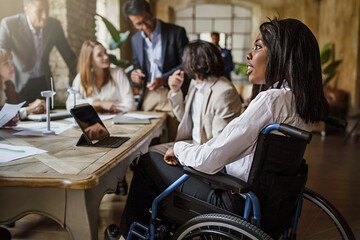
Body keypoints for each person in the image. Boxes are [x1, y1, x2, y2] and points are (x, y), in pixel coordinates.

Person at [104, 18, 329, 239]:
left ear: (283, 55)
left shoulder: (271, 100)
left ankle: (128, 235)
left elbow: (210, 159)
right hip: (271, 204)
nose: (249, 55)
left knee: (148, 162)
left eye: (258, 46)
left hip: (235, 200)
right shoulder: (300, 103)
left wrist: (180, 149)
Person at [150, 40, 242, 155]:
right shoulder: (195, 83)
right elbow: (184, 119)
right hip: (191, 143)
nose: (182, 61)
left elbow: (219, 146)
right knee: (149, 152)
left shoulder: (224, 92)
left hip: (204, 152)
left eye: (185, 57)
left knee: (149, 159)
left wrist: (184, 153)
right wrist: (175, 91)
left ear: (194, 61)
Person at [0, 0, 77, 104]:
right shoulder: (9, 24)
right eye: (39, 11)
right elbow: (2, 56)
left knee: (48, 116)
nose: (45, 16)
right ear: (26, 9)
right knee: (21, 116)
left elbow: (69, 57)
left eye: (47, 10)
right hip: (19, 85)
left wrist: (84, 80)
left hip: (43, 83)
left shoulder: (54, 26)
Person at [123, 0, 190, 112]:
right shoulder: (136, 40)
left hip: (174, 93)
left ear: (151, 13)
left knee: (175, 129)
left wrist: (164, 79)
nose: (144, 26)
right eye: (138, 24)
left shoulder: (176, 33)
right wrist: (136, 75)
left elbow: (186, 64)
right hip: (149, 95)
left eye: (146, 20)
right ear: (132, 23)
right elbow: (137, 66)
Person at [66, 40, 136, 113]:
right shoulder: (81, 77)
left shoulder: (118, 73)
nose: (106, 57)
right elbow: (70, 104)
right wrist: (99, 104)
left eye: (105, 52)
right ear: (90, 60)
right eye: (100, 55)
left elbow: (131, 105)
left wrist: (95, 107)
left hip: (116, 122)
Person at [0, 48, 45, 124]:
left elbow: (21, 105)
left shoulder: (8, 85)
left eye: (10, 62)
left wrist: (35, 107)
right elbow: (2, 118)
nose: (12, 66)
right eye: (6, 63)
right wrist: (29, 109)